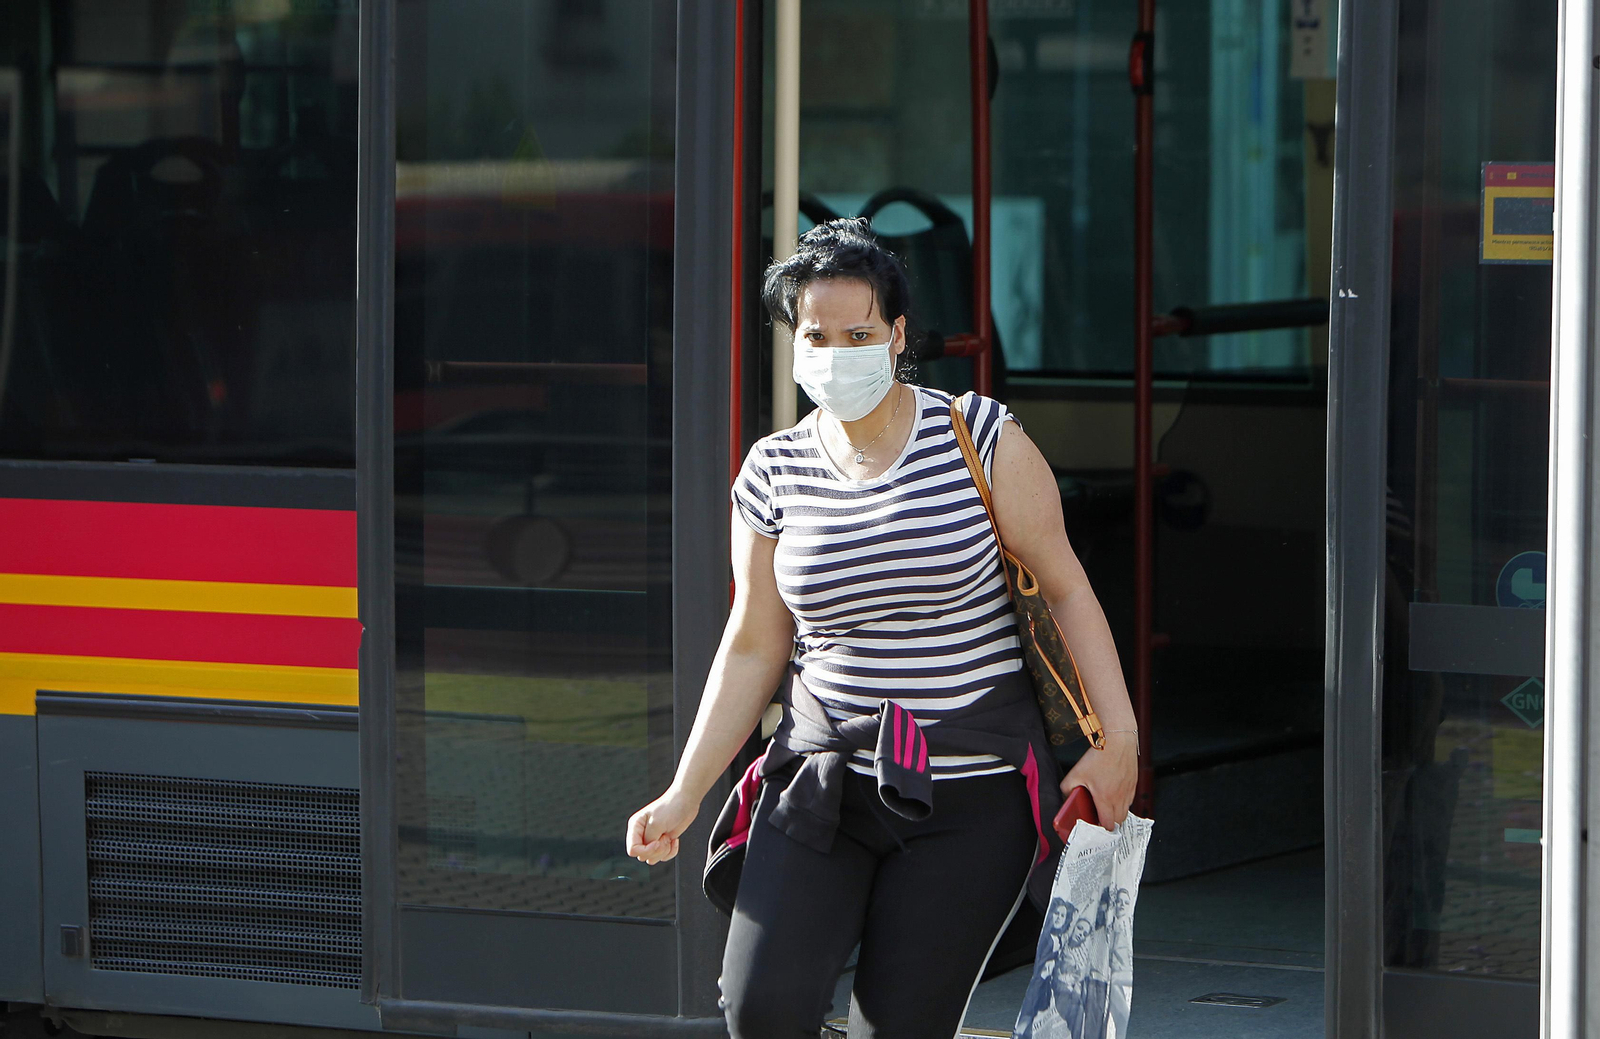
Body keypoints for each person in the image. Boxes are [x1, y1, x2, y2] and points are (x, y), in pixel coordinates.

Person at [623, 218, 1139, 1038]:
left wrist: (1119, 739)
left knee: (897, 1027)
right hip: (824, 784)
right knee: (760, 1006)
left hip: (969, 796)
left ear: (897, 335)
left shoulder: (982, 439)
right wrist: (685, 792)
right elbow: (755, 641)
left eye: (858, 333)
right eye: (816, 334)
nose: (835, 352)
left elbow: (1068, 589)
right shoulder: (772, 471)